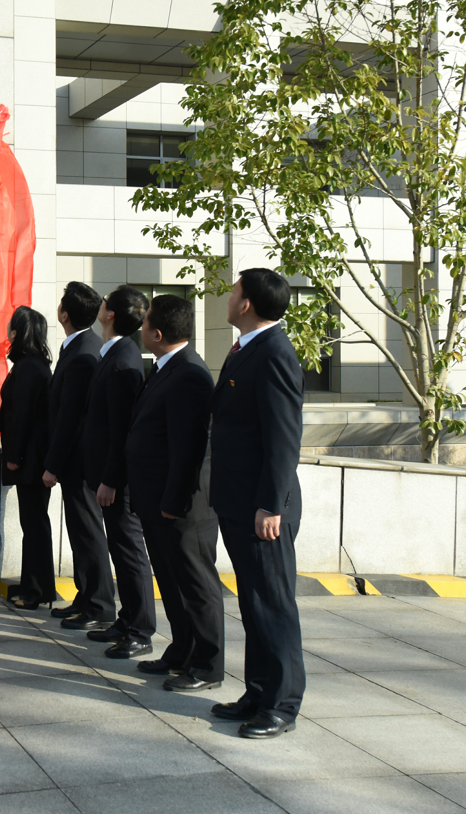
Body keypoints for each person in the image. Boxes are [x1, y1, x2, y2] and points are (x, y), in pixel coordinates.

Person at [208, 268, 307, 739]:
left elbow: (284, 438)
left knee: (273, 602)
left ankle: (282, 705)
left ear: (246, 303)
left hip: (262, 507)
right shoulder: (247, 349)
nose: (228, 297)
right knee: (252, 602)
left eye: (234, 291)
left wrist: (271, 504)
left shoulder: (274, 353)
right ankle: (259, 691)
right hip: (238, 499)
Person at [126, 294, 225, 691]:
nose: (141, 326)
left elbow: (189, 449)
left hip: (182, 506)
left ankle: (207, 665)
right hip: (156, 500)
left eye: (145, 320)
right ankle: (181, 649)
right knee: (170, 581)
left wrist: (173, 502)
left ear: (158, 332)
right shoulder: (166, 367)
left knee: (197, 585)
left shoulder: (189, 374)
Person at [84, 285, 155, 654]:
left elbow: (122, 429)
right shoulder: (114, 353)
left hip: (118, 481)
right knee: (120, 549)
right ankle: (126, 621)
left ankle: (140, 630)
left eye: (106, 301)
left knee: (129, 552)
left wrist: (111, 479)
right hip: (105, 475)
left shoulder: (125, 360)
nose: (101, 304)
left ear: (111, 314)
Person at [42, 281, 116, 630]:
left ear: (65, 313)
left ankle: (99, 606)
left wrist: (52, 465)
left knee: (88, 533)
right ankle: (86, 597)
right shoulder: (79, 345)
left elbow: (71, 417)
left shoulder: (85, 352)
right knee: (80, 532)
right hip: (75, 461)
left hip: (80, 463)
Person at [0, 305, 55, 610]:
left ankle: (36, 592)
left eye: (11, 327)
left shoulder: (28, 368)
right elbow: (10, 413)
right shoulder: (31, 365)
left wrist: (14, 456)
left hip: (31, 460)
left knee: (34, 525)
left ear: (17, 333)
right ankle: (32, 588)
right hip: (32, 457)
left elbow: (21, 416)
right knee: (33, 524)